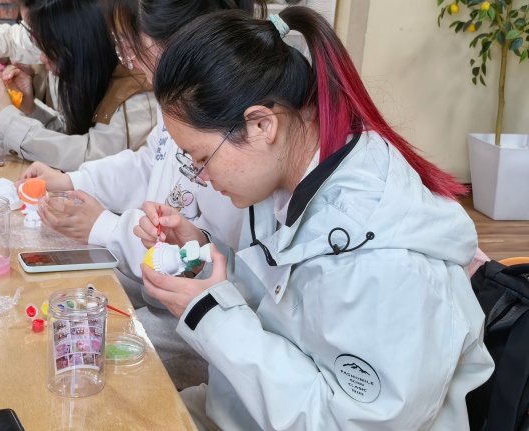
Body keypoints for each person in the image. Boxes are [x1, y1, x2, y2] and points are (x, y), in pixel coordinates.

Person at [134, 7, 494, 430]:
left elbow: (348, 423)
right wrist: (204, 254)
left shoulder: (383, 265)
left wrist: (210, 315)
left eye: (201, 158)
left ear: (261, 124)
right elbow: (286, 303)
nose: (200, 177)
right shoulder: (297, 179)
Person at [20, 0, 266, 389]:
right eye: (123, 45)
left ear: (185, 37)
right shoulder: (183, 105)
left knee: (82, 353)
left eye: (132, 45)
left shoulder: (234, 140)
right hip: (172, 292)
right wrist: (72, 182)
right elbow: (146, 163)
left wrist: (105, 227)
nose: (130, 60)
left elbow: (211, 268)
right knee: (64, 315)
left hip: (196, 316)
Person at [0, 0, 156, 172]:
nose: (42, 59)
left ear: (79, 47)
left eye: (50, 50)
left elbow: (91, 157)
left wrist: (7, 121)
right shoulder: (94, 71)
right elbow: (72, 136)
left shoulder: (136, 96)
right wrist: (30, 109)